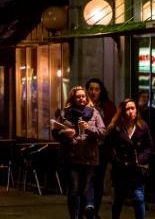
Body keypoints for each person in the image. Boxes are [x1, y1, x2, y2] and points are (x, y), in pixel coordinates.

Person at [52, 85, 106, 219]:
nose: (81, 99)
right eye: (78, 96)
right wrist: (64, 132)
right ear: (73, 98)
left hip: (89, 157)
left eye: (83, 96)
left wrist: (88, 129)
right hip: (71, 157)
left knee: (85, 191)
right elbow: (55, 133)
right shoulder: (65, 113)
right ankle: (75, 216)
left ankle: (83, 213)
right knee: (74, 189)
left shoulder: (94, 113)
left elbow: (103, 133)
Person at [106, 98, 153, 219]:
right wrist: (118, 162)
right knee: (119, 199)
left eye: (133, 108)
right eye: (128, 109)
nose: (131, 111)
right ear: (122, 111)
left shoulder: (142, 126)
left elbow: (149, 146)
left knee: (139, 198)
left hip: (137, 169)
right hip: (121, 169)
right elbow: (108, 149)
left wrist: (141, 159)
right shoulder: (115, 128)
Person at [85, 78, 116, 218]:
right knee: (88, 179)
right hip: (86, 149)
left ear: (101, 91)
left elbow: (113, 128)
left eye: (96, 89)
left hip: (102, 149)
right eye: (91, 89)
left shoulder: (108, 106)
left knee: (98, 180)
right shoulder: (83, 104)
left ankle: (94, 210)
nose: (93, 92)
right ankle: (87, 207)